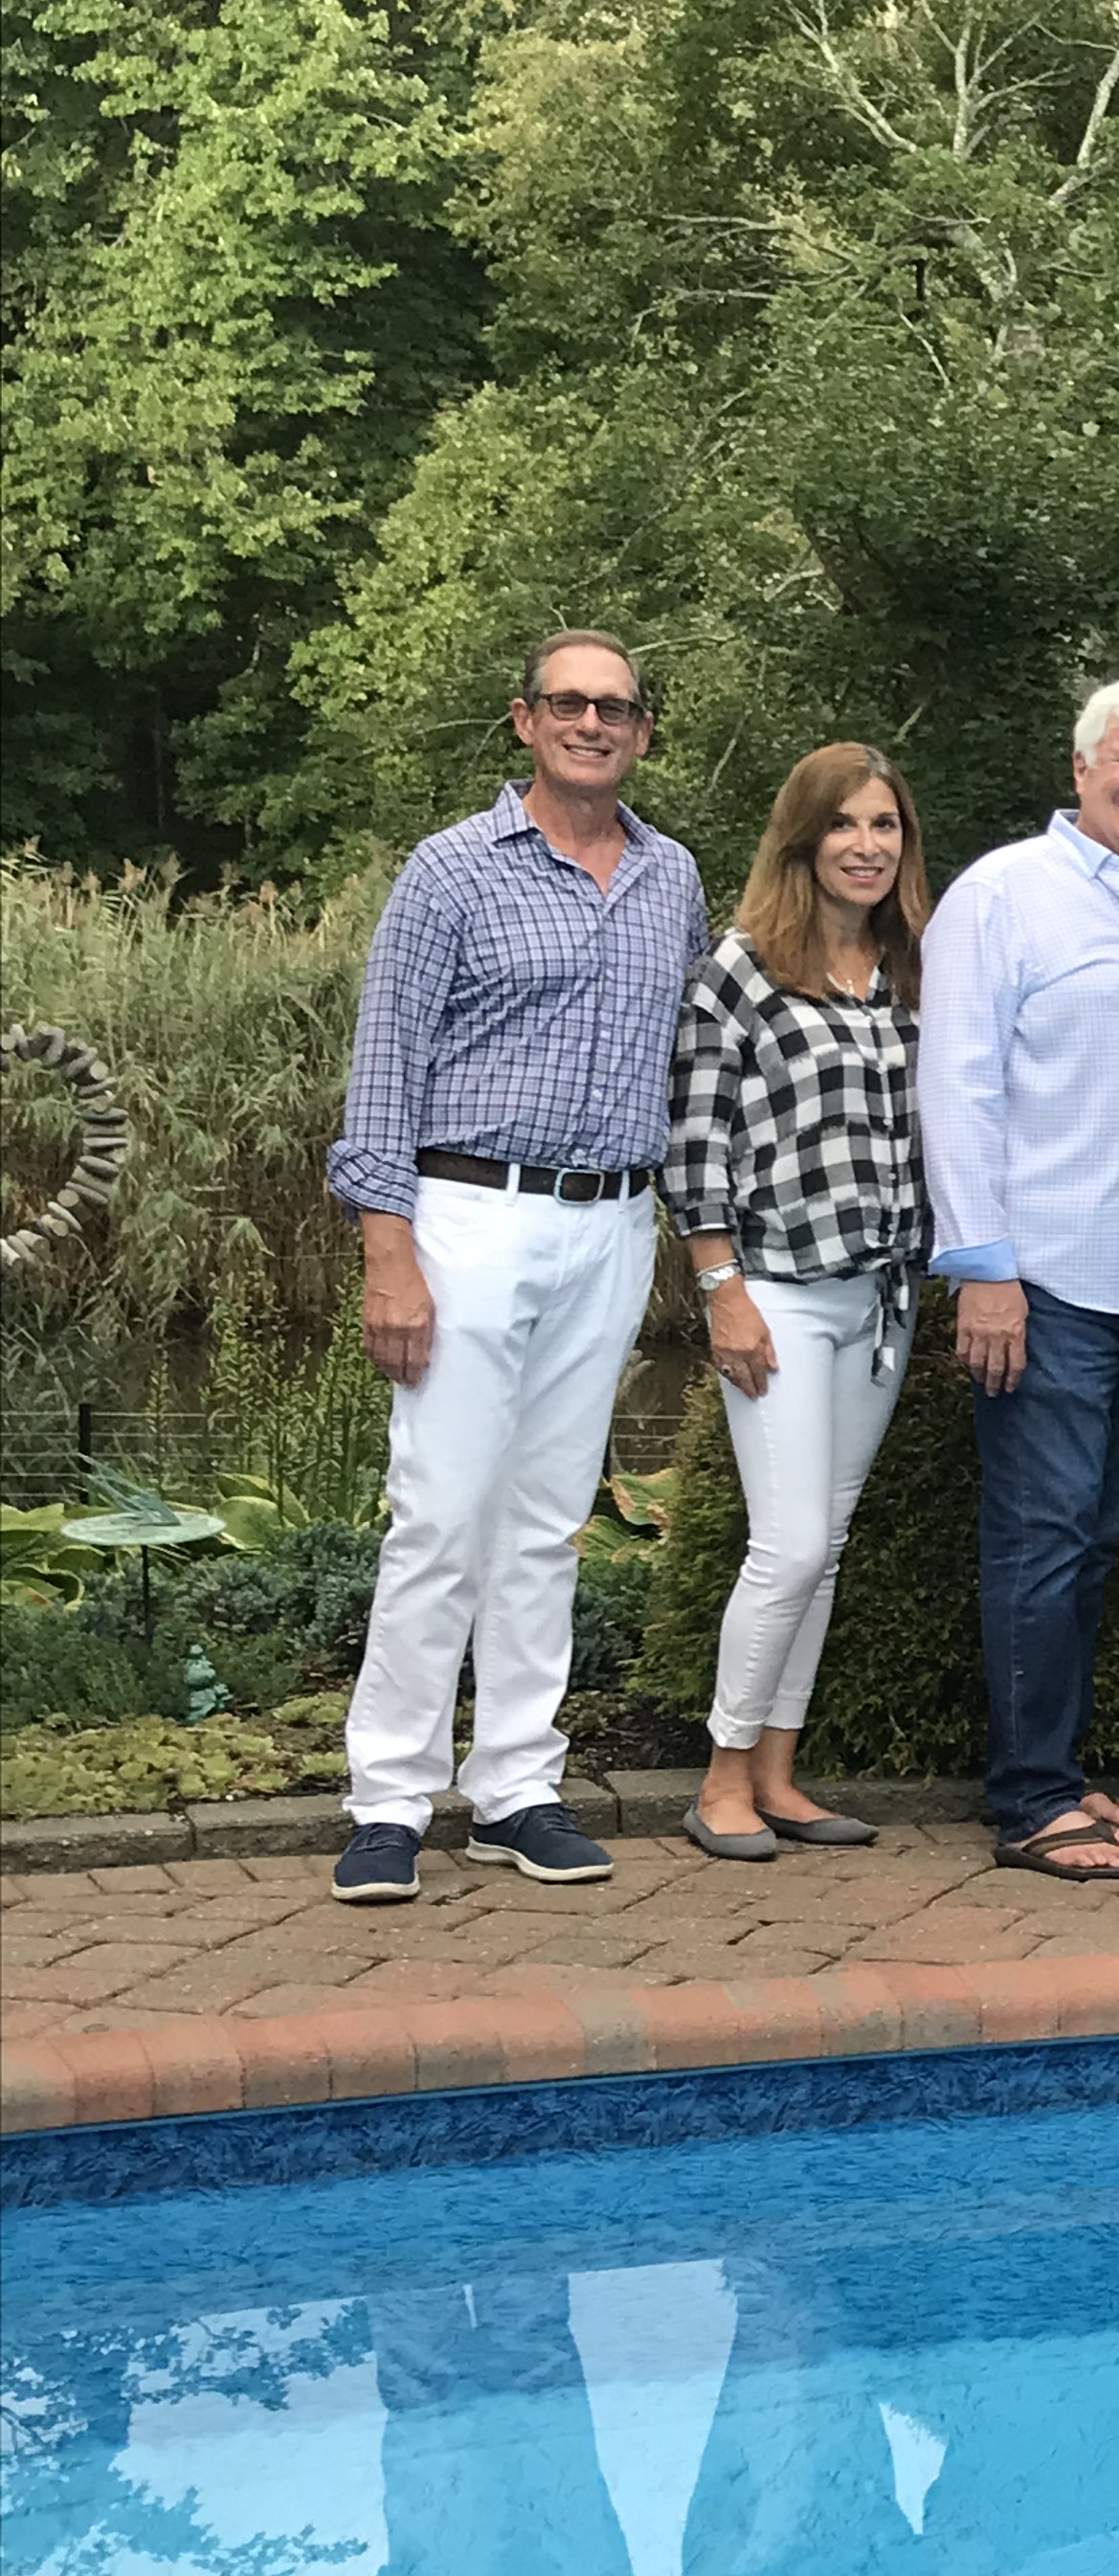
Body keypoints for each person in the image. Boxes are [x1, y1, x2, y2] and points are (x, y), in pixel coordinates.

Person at [323, 629, 707, 1905]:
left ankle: (516, 1789)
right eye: (569, 703)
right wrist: (390, 1253)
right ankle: (387, 1798)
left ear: (644, 731)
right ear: (525, 721)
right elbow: (383, 1067)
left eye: (616, 707)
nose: (592, 722)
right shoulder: (448, 873)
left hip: (610, 1222)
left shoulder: (673, 879)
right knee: (439, 1511)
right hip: (467, 1216)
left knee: (548, 1522)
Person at [919, 678, 1119, 1884]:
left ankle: (1052, 1762)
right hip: (1046, 1280)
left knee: (1089, 1543)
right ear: (1082, 766)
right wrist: (982, 1268)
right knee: (1041, 1542)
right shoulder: (1004, 896)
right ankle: (1031, 1801)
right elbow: (955, 1087)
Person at [662, 743, 934, 1862]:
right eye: (845, 826)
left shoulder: (913, 973)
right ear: (803, 840)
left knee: (825, 1540)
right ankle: (721, 1779)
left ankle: (780, 1773)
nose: (867, 847)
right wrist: (723, 1292)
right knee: (786, 1543)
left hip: (881, 1301)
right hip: (775, 1289)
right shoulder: (741, 968)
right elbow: (694, 1144)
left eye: (886, 827)